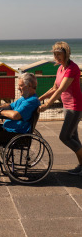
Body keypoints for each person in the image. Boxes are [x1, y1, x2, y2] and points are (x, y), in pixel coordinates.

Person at [39, 41, 82, 176]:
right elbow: (54, 88)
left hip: (75, 107)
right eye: (55, 54)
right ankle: (81, 166)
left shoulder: (72, 68)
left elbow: (61, 89)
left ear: (66, 54)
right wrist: (39, 99)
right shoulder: (60, 68)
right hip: (66, 106)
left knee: (64, 137)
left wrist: (47, 105)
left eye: (59, 54)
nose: (56, 56)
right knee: (73, 136)